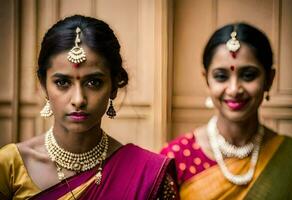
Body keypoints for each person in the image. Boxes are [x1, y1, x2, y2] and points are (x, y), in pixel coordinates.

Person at [0, 15, 178, 199]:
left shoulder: (147, 174)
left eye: (93, 82)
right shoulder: (10, 166)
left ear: (114, 86)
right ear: (43, 85)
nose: (78, 99)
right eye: (62, 82)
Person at [161, 23, 292, 199]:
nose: (234, 89)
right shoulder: (176, 157)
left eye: (248, 75)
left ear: (269, 80)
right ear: (207, 80)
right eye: (221, 76)